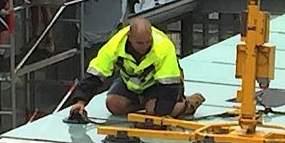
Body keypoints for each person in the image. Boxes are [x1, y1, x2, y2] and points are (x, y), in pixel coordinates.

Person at [66, 17, 204, 120]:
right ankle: (146, 103)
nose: (144, 46)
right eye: (139, 43)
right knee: (113, 104)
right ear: (129, 37)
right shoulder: (115, 44)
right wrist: (80, 102)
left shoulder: (163, 46)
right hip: (132, 83)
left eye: (148, 41)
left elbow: (170, 87)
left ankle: (188, 104)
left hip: (160, 85)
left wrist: (158, 115)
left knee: (156, 110)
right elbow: (96, 74)